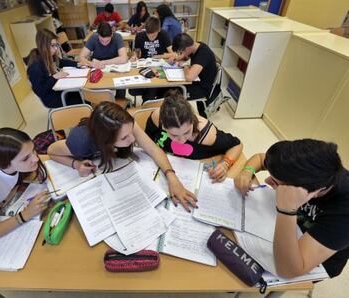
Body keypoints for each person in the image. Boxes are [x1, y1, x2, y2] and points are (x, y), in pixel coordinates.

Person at [48, 101, 196, 211]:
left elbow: (153, 149)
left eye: (132, 132)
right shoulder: (81, 141)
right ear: (106, 140)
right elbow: (51, 151)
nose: (133, 139)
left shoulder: (125, 125)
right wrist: (76, 165)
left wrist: (172, 177)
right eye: (124, 138)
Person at [234, 139, 349, 278]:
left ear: (313, 191)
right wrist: (247, 172)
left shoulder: (344, 212)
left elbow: (288, 270)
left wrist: (286, 210)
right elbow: (260, 157)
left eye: (275, 182)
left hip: (319, 259)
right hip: (288, 225)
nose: (267, 182)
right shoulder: (308, 166)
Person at [145, 90, 242, 182]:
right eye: (174, 135)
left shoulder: (206, 134)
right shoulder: (157, 118)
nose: (181, 140)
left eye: (187, 132)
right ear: (164, 126)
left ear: (192, 121)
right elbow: (147, 141)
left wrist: (225, 164)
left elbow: (237, 144)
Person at [27, 29, 83, 108]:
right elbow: (40, 91)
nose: (56, 48)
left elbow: (60, 62)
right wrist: (54, 77)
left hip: (58, 89)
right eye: (52, 45)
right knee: (82, 98)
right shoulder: (35, 67)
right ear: (43, 45)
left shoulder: (47, 55)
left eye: (56, 45)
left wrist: (77, 64)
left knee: (83, 93)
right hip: (52, 98)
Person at [172, 33, 218, 117]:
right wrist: (176, 58)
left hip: (202, 88)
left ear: (187, 48)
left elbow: (189, 77)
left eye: (181, 52)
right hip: (197, 82)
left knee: (171, 94)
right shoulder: (197, 46)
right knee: (169, 88)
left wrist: (185, 65)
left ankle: (176, 117)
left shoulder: (203, 54)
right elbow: (186, 56)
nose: (181, 54)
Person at [130, 16, 176, 101]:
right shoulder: (140, 35)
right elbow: (136, 51)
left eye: (154, 36)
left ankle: (149, 104)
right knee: (146, 88)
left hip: (159, 66)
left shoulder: (163, 34)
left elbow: (173, 54)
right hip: (144, 66)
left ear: (158, 30)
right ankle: (149, 104)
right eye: (148, 35)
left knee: (152, 89)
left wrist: (160, 56)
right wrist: (135, 56)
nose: (151, 38)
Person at [79, 22, 128, 98]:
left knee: (121, 85)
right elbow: (81, 57)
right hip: (97, 69)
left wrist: (104, 62)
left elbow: (124, 58)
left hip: (113, 68)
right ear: (98, 35)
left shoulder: (117, 37)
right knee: (95, 89)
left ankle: (119, 105)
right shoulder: (93, 38)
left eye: (107, 40)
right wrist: (92, 63)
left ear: (112, 34)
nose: (104, 43)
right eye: (102, 40)